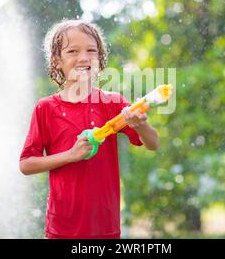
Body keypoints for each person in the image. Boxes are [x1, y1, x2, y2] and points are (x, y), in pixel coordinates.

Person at [19, 19, 159, 239]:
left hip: (105, 228)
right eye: (73, 51)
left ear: (100, 60)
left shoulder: (112, 103)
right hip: (61, 229)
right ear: (57, 61)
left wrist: (141, 125)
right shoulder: (46, 108)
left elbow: (153, 144)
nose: (84, 58)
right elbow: (26, 165)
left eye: (91, 51)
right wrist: (70, 155)